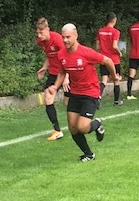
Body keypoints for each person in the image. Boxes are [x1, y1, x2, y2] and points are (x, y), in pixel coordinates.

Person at [50, 24, 118, 161]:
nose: (65, 40)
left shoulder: (86, 52)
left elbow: (108, 60)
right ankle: (89, 154)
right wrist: (55, 86)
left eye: (68, 37)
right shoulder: (61, 54)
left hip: (90, 93)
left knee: (82, 127)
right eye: (63, 37)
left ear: (76, 36)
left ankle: (97, 124)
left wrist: (114, 76)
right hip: (75, 93)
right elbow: (62, 72)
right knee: (73, 128)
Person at [35, 18, 66, 141]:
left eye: (41, 32)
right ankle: (57, 130)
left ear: (48, 29)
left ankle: (85, 122)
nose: (39, 36)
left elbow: (67, 56)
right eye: (37, 33)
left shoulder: (57, 39)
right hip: (54, 73)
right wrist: (44, 67)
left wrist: (67, 77)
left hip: (67, 72)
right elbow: (49, 55)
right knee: (48, 98)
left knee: (68, 102)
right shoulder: (40, 41)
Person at [95, 12, 123, 106]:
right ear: (114, 20)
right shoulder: (116, 32)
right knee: (116, 79)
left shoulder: (100, 31)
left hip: (103, 58)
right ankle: (116, 101)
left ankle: (98, 96)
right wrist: (119, 52)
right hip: (114, 59)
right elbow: (114, 46)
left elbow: (97, 47)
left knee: (104, 80)